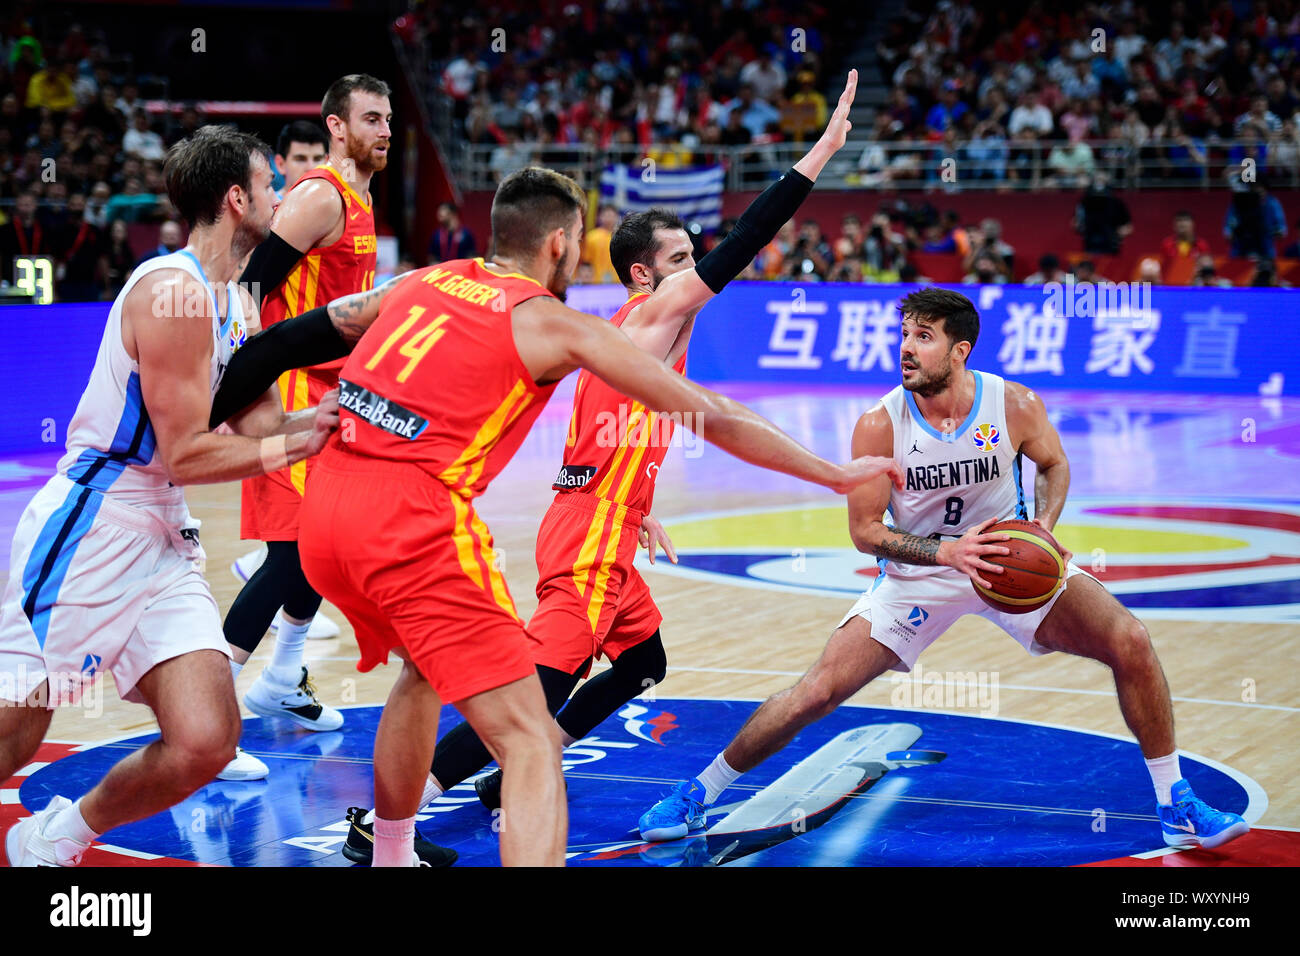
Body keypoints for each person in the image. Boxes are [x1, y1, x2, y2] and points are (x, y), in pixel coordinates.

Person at [205, 72, 897, 867]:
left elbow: (277, 341)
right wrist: (836, 475)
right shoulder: (585, 324)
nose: (696, 268)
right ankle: (412, 807)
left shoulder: (420, 283)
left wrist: (207, 427)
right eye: (679, 258)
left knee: (472, 673)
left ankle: (389, 847)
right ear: (566, 245)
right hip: (434, 519)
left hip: (329, 500)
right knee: (531, 736)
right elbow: (726, 396)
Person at [636, 287, 1250, 854]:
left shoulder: (1012, 403)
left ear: (960, 351)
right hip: (918, 573)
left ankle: (1178, 803)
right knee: (816, 692)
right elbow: (866, 533)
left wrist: (1041, 528)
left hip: (1009, 560)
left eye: (922, 336)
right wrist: (944, 553)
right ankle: (699, 793)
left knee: (1131, 640)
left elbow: (1053, 465)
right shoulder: (880, 423)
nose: (905, 346)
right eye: (903, 333)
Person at [0, 125, 338, 867]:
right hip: (94, 525)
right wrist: (293, 444)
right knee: (15, 730)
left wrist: (341, 417)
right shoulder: (173, 291)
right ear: (237, 198)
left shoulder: (237, 300)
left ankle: (52, 838)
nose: (285, 199)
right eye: (273, 186)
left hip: (161, 532)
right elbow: (186, 454)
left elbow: (262, 424)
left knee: (206, 740)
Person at [219, 74, 391, 781]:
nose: (385, 129)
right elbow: (251, 286)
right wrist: (241, 383)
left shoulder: (364, 197)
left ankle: (281, 681)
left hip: (332, 391)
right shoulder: (322, 195)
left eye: (389, 118)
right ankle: (211, 718)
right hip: (288, 388)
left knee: (323, 547)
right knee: (290, 556)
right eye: (371, 118)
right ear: (337, 127)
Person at [272, 120, 328, 200]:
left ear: (327, 162)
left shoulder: (344, 206)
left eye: (317, 159)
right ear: (281, 164)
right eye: (301, 159)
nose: (311, 168)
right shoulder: (268, 208)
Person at [580, 203, 619, 283]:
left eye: (611, 216)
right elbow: (586, 262)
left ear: (617, 217)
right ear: (600, 217)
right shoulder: (592, 237)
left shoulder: (621, 238)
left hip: (617, 282)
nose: (609, 219)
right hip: (595, 282)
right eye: (606, 215)